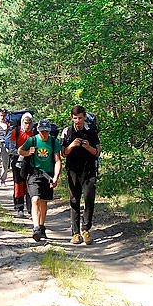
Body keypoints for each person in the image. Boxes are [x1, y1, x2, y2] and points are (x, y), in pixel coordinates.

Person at [61, 105, 101, 245]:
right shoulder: (67, 132)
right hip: (73, 170)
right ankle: (75, 232)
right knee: (74, 200)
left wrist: (87, 146)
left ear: (84, 117)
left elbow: (97, 153)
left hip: (89, 169)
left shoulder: (92, 131)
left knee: (89, 198)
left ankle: (86, 229)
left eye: (80, 118)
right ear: (71, 118)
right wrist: (72, 145)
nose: (78, 120)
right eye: (75, 118)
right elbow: (63, 153)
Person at [18, 118, 62, 242]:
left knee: (44, 201)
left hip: (48, 175)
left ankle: (42, 227)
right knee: (35, 199)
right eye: (42, 131)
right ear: (38, 130)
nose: (44, 133)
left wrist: (56, 177)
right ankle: (36, 227)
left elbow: (58, 161)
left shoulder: (54, 142)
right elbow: (20, 150)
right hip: (34, 174)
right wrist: (28, 153)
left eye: (46, 131)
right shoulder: (32, 140)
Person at [7, 112, 35, 217]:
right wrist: (23, 152)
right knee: (19, 184)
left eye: (29, 123)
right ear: (22, 122)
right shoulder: (16, 132)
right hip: (17, 161)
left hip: (31, 162)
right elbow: (11, 149)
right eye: (26, 123)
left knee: (30, 185)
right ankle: (19, 207)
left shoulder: (35, 132)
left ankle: (31, 209)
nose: (27, 125)